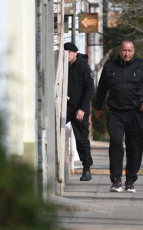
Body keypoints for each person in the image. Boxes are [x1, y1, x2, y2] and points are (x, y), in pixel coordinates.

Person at [94, 38, 143, 193]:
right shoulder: (109, 67)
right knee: (115, 143)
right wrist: (97, 108)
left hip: (136, 112)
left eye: (129, 51)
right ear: (119, 51)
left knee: (134, 147)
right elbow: (101, 89)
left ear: (133, 51)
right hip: (116, 113)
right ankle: (116, 180)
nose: (126, 54)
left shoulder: (140, 65)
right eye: (124, 50)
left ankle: (130, 180)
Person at [64, 42, 94, 181]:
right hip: (65, 106)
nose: (68, 54)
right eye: (66, 52)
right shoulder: (62, 65)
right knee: (55, 133)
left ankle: (87, 168)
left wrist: (82, 109)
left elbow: (89, 90)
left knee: (81, 139)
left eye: (71, 52)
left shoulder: (83, 66)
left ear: (76, 53)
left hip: (80, 108)